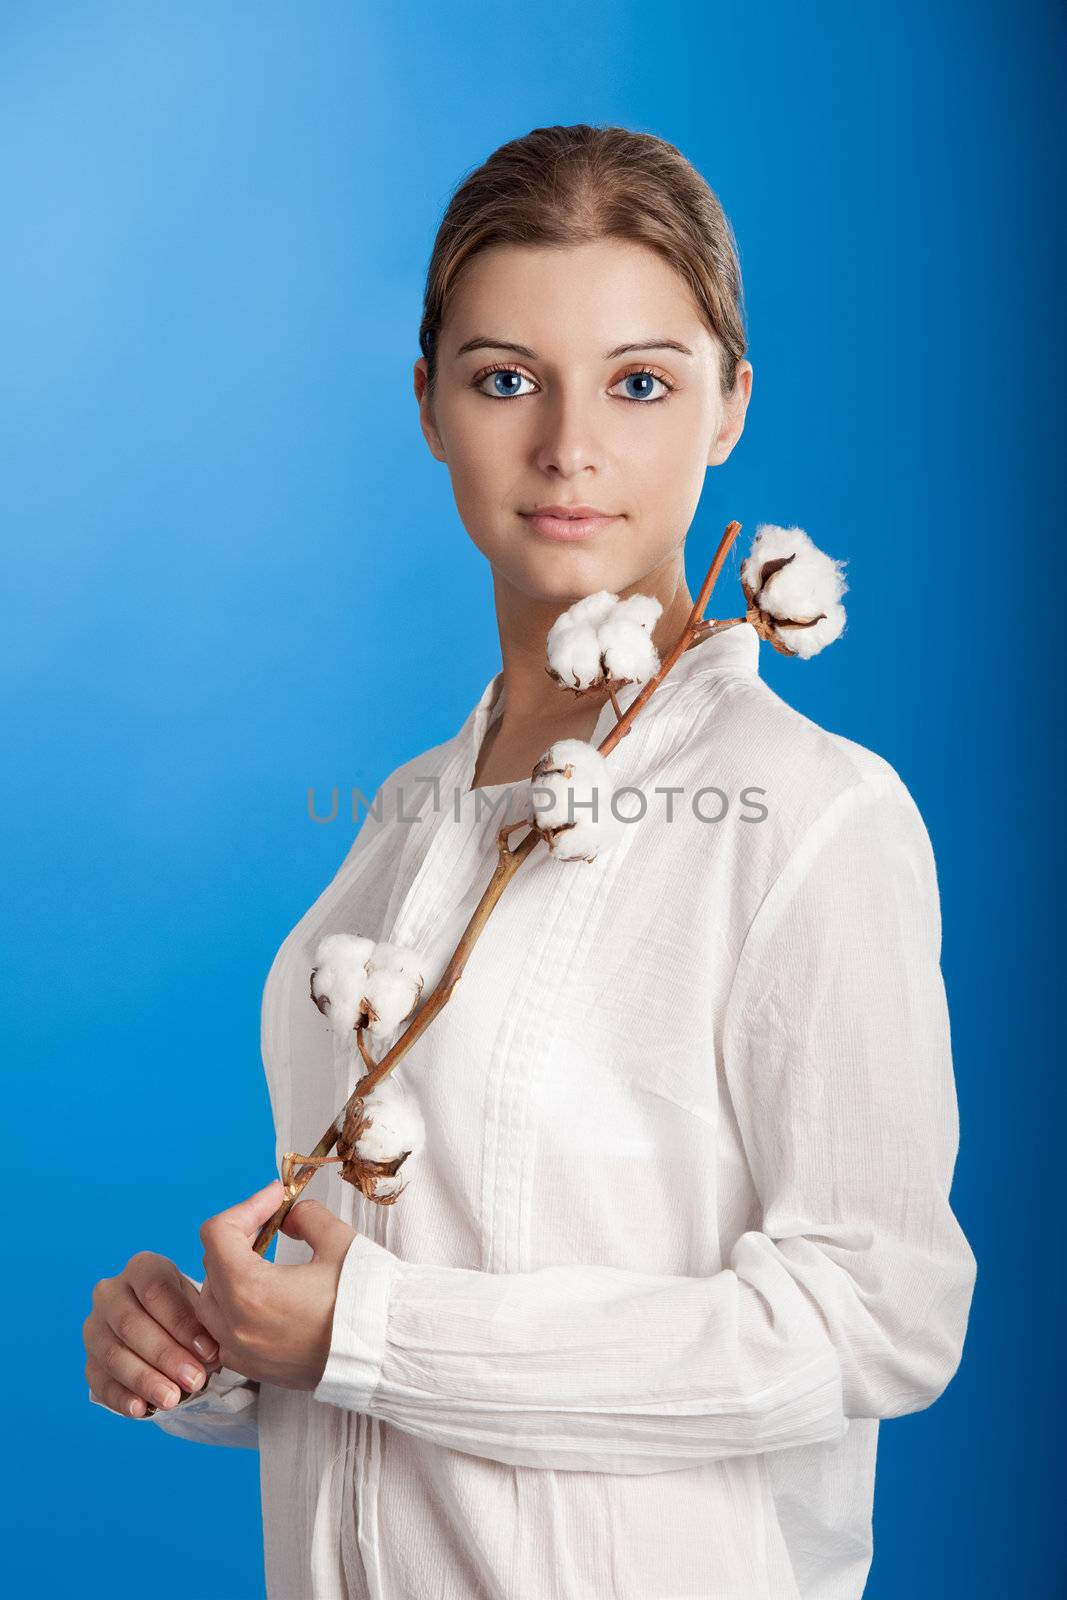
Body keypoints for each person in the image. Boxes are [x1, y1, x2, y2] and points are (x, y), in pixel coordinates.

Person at [84, 123, 977, 1599]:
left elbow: (875, 1319)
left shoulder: (812, 815)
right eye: (507, 378)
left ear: (731, 405)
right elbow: (411, 1296)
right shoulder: (401, 827)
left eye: (641, 382)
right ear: (429, 403)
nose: (570, 447)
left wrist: (367, 1331)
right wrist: (222, 1344)